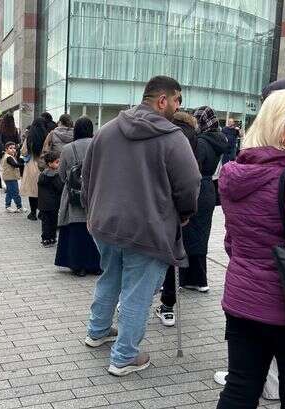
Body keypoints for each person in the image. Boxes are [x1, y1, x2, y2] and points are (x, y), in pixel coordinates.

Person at [81, 76, 200, 376]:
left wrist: (92, 209)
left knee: (110, 277)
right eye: (177, 100)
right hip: (148, 228)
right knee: (138, 292)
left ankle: (97, 331)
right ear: (162, 100)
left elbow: (86, 176)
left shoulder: (106, 131)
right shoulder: (173, 138)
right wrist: (185, 213)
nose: (178, 107)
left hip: (105, 224)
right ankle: (124, 356)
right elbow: (190, 184)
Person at [215, 86, 285, 409]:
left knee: (240, 386)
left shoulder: (240, 172)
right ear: (283, 124)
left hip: (242, 300)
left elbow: (230, 241)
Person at [177, 106, 229, 292]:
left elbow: (192, 168)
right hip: (209, 190)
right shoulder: (219, 140)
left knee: (188, 234)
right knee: (201, 236)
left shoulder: (201, 142)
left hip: (197, 188)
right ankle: (200, 279)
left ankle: (186, 279)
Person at [156, 111, 199, 326]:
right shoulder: (193, 136)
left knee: (147, 254)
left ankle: (129, 301)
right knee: (175, 254)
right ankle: (167, 307)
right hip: (180, 203)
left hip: (157, 201)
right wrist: (186, 212)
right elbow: (192, 177)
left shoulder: (164, 133)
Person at [55, 116, 101, 277]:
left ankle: (78, 266)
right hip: (95, 194)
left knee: (76, 231)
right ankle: (95, 265)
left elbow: (61, 174)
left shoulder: (68, 149)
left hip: (74, 196)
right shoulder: (98, 145)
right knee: (94, 232)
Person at [20, 118, 48, 221]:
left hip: (31, 165)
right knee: (42, 190)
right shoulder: (46, 136)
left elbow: (23, 152)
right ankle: (41, 212)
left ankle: (32, 213)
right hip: (44, 165)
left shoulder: (29, 137)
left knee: (32, 191)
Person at [38, 151, 64, 248]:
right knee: (53, 221)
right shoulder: (55, 176)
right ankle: (52, 238)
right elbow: (59, 188)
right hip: (53, 203)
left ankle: (45, 239)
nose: (59, 164)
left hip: (43, 203)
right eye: (57, 162)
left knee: (45, 222)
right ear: (50, 163)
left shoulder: (42, 175)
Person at [1, 142, 25, 213]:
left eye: (14, 148)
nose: (13, 150)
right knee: (15, 192)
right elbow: (15, 165)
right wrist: (22, 162)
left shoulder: (9, 156)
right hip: (10, 178)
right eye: (10, 148)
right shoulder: (8, 157)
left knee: (10, 192)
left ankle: (8, 206)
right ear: (6, 149)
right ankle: (19, 206)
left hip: (10, 177)